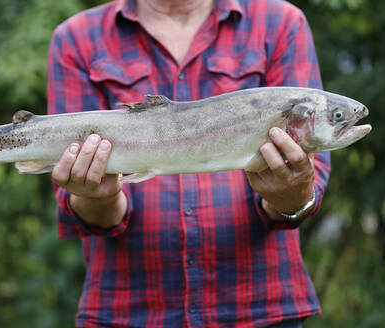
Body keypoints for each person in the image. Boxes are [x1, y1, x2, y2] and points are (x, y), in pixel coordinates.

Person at [47, 0, 331, 327]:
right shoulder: (75, 38)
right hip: (127, 311)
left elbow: (307, 192)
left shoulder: (280, 23)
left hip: (261, 308)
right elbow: (89, 213)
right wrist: (98, 195)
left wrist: (290, 195)